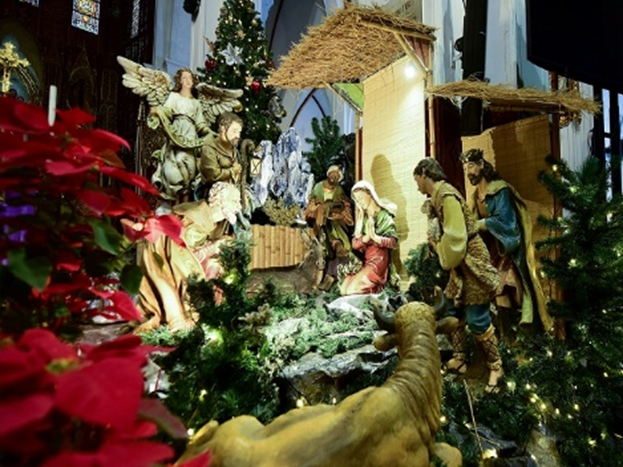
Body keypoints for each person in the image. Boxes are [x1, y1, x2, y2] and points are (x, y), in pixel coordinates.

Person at [413, 158, 503, 392]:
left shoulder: (447, 196)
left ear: (425, 173)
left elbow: (455, 237)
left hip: (471, 259)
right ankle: (459, 357)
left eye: (417, 180)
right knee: (453, 309)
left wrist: (439, 248)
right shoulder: (437, 198)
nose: (417, 185)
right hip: (460, 264)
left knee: (476, 317)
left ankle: (496, 366)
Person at [460, 148, 554, 340]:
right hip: (490, 252)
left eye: (471, 166)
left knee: (506, 291)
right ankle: (506, 339)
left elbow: (507, 222)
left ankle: (514, 340)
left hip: (507, 250)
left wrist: (481, 224)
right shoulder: (475, 196)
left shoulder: (500, 190)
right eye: (465, 168)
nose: (468, 172)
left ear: (481, 165)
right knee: (497, 294)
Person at [136, 182, 243, 333]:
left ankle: (209, 308)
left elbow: (194, 249)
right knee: (200, 272)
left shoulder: (208, 218)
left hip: (177, 255)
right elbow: (182, 253)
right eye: (234, 201)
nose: (238, 206)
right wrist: (213, 247)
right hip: (165, 259)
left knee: (217, 263)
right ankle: (185, 316)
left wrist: (216, 247)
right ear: (220, 201)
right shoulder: (194, 218)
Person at [148, 68, 212, 203]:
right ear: (179, 81)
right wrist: (157, 111)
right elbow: (166, 111)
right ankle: (175, 201)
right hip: (176, 133)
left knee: (189, 165)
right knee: (175, 161)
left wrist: (208, 132)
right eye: (184, 78)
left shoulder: (196, 103)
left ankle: (186, 202)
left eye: (190, 78)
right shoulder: (174, 97)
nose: (188, 80)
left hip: (190, 137)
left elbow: (200, 124)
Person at [339, 180, 398, 296]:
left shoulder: (383, 215)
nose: (360, 202)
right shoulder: (363, 218)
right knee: (344, 289)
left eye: (361, 198)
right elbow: (355, 244)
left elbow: (392, 242)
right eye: (357, 200)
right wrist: (366, 238)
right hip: (365, 261)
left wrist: (375, 237)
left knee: (352, 290)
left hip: (378, 261)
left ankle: (376, 290)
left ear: (370, 194)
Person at [303, 165, 354, 290]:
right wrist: (317, 209)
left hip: (335, 221)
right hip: (320, 221)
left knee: (340, 242)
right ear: (328, 174)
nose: (334, 177)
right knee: (324, 243)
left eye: (337, 176)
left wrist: (339, 213)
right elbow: (311, 203)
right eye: (333, 174)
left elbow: (345, 206)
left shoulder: (339, 190)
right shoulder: (318, 187)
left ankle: (338, 269)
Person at [199, 111, 243, 195]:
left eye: (239, 132)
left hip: (232, 189)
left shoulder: (232, 148)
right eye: (234, 131)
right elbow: (213, 175)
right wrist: (233, 170)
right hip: (214, 192)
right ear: (223, 129)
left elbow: (238, 173)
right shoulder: (209, 147)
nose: (238, 136)